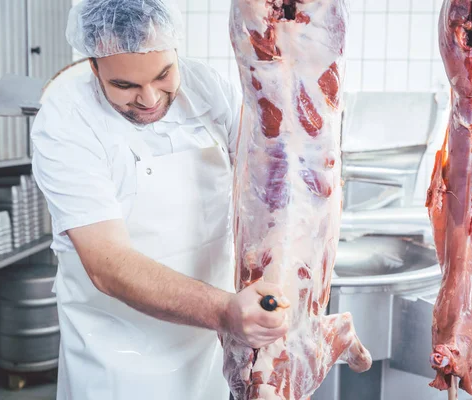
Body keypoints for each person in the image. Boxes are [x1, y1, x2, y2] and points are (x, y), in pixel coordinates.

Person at [30, 1, 289, 399]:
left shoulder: (207, 86)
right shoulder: (66, 117)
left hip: (213, 349)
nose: (150, 99)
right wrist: (224, 312)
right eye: (124, 86)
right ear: (94, 65)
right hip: (119, 356)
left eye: (164, 74)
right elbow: (107, 264)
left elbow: (262, 189)